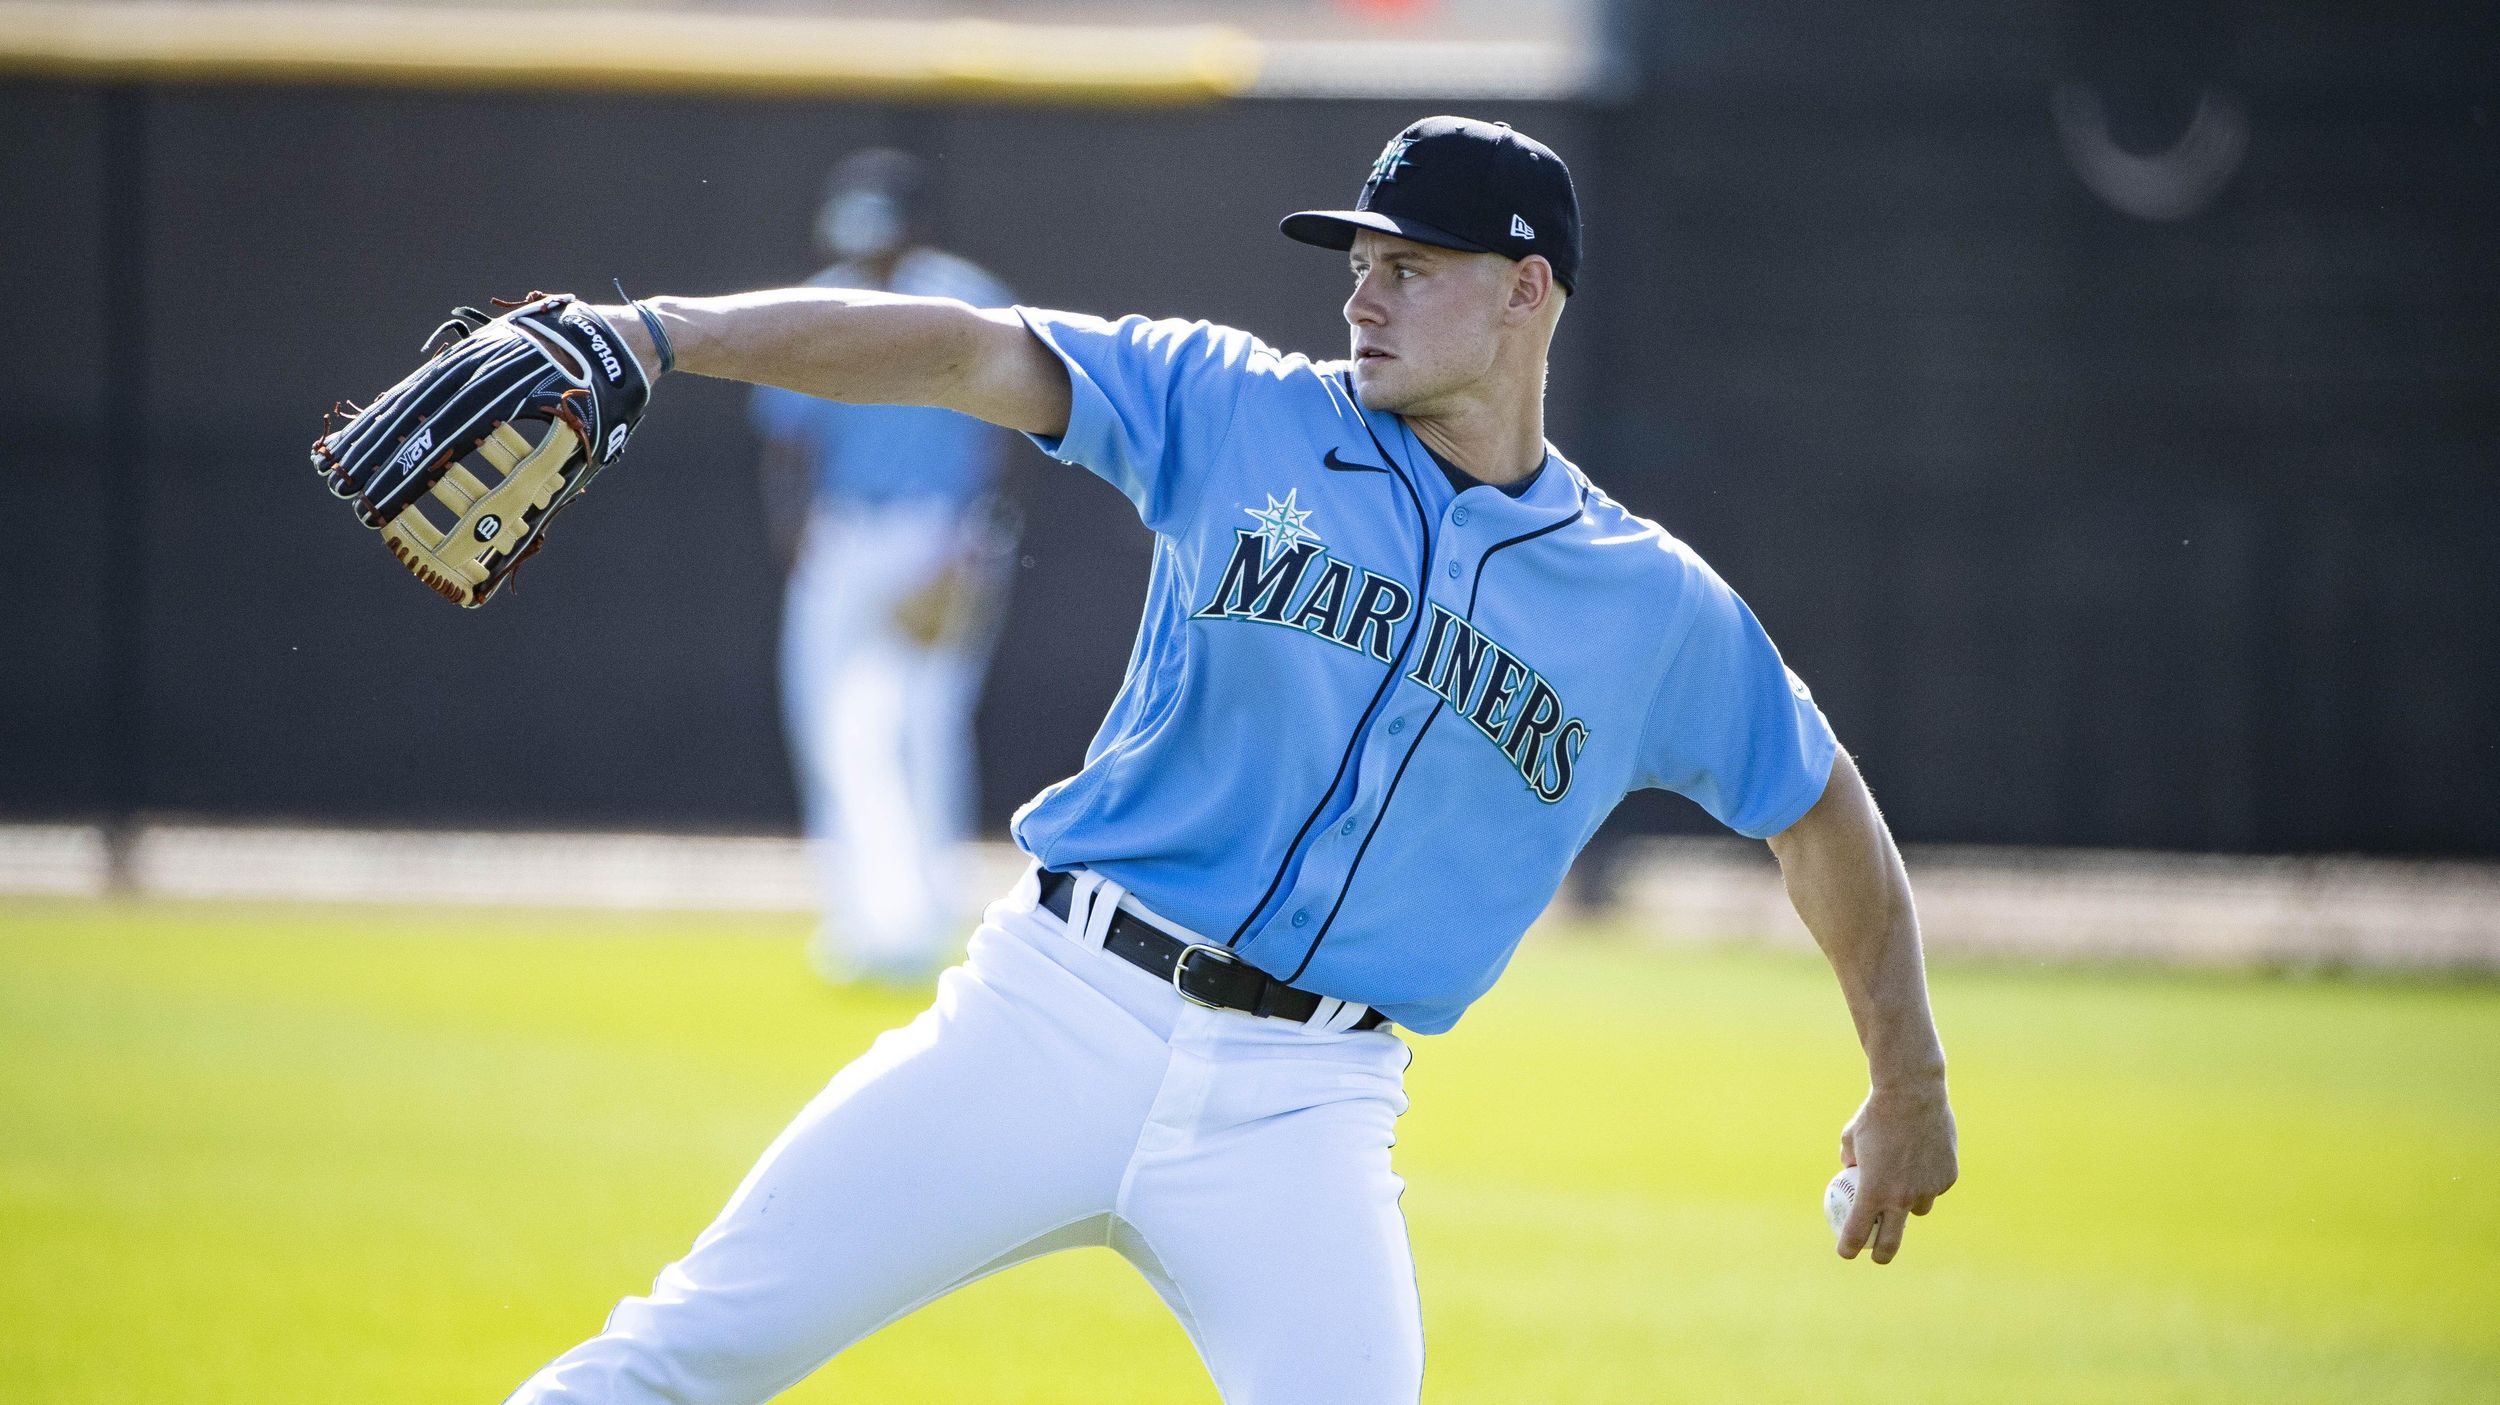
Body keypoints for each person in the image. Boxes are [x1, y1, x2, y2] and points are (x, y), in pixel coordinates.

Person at [507, 115, 1960, 1405]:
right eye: (1358, 258)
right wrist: (664, 333)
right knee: (687, 1358)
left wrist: (1911, 1082)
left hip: (1305, 1112)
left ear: (1528, 292)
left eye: (1412, 263)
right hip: (1053, 1016)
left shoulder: (1649, 607)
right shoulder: (1236, 405)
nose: (1361, 292)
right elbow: (965, 351)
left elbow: (1818, 805)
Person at [749, 149, 1021, 984]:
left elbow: (1011, 430)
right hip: (843, 530)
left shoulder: (967, 300)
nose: (874, 251)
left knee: (921, 723)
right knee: (830, 724)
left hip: (939, 531)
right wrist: (796, 535)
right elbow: (788, 440)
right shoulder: (817, 302)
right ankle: (861, 918)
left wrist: (977, 542)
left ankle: (927, 917)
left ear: (921, 226)